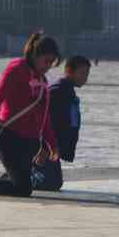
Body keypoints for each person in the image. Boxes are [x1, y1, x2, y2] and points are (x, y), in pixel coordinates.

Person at [0, 33, 60, 197]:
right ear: (35, 55)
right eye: (46, 61)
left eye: (52, 62)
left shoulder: (43, 81)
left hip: (29, 143)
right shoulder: (16, 69)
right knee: (23, 189)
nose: (48, 66)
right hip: (8, 137)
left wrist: (51, 145)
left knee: (20, 183)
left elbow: (44, 117)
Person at [30, 55, 91, 191]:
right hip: (45, 147)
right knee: (51, 183)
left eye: (87, 73)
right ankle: (1, 181)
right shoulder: (58, 91)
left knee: (53, 182)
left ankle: (16, 176)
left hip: (53, 147)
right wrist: (45, 148)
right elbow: (47, 121)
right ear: (69, 71)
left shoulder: (68, 91)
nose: (85, 77)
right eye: (82, 73)